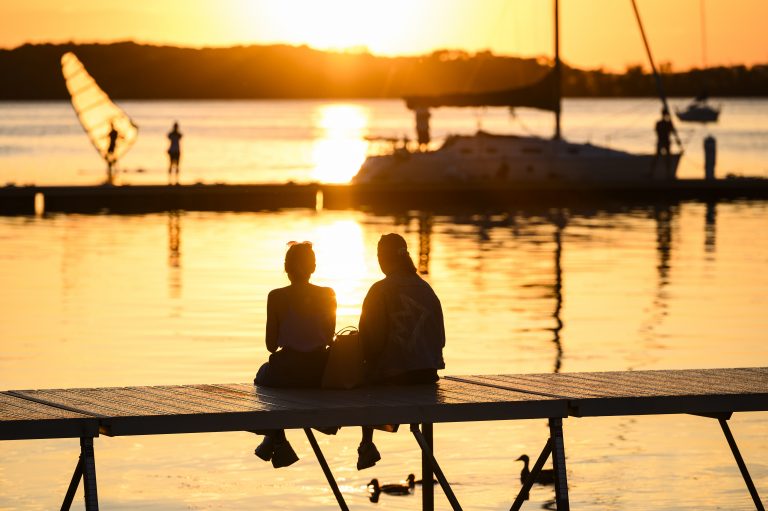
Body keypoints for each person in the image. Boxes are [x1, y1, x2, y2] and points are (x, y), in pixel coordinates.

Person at [356, 233, 446, 470]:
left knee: (362, 373)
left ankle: (367, 443)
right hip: (427, 376)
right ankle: (372, 438)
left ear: (384, 258)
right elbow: (441, 339)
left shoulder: (380, 290)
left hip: (396, 376)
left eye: (378, 256)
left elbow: (369, 344)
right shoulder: (427, 290)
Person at [253, 241, 336, 468]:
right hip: (319, 372)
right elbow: (330, 338)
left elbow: (271, 345)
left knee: (262, 376)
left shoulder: (276, 296)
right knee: (270, 377)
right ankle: (274, 439)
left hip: (287, 371)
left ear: (286, 268)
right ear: (313, 267)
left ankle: (277, 438)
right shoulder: (328, 293)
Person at [654, 109, 674, 179]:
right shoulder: (661, 123)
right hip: (663, 141)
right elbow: (658, 131)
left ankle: (668, 173)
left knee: (666, 158)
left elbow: (671, 130)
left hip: (665, 141)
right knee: (658, 157)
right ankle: (653, 172)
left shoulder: (664, 123)